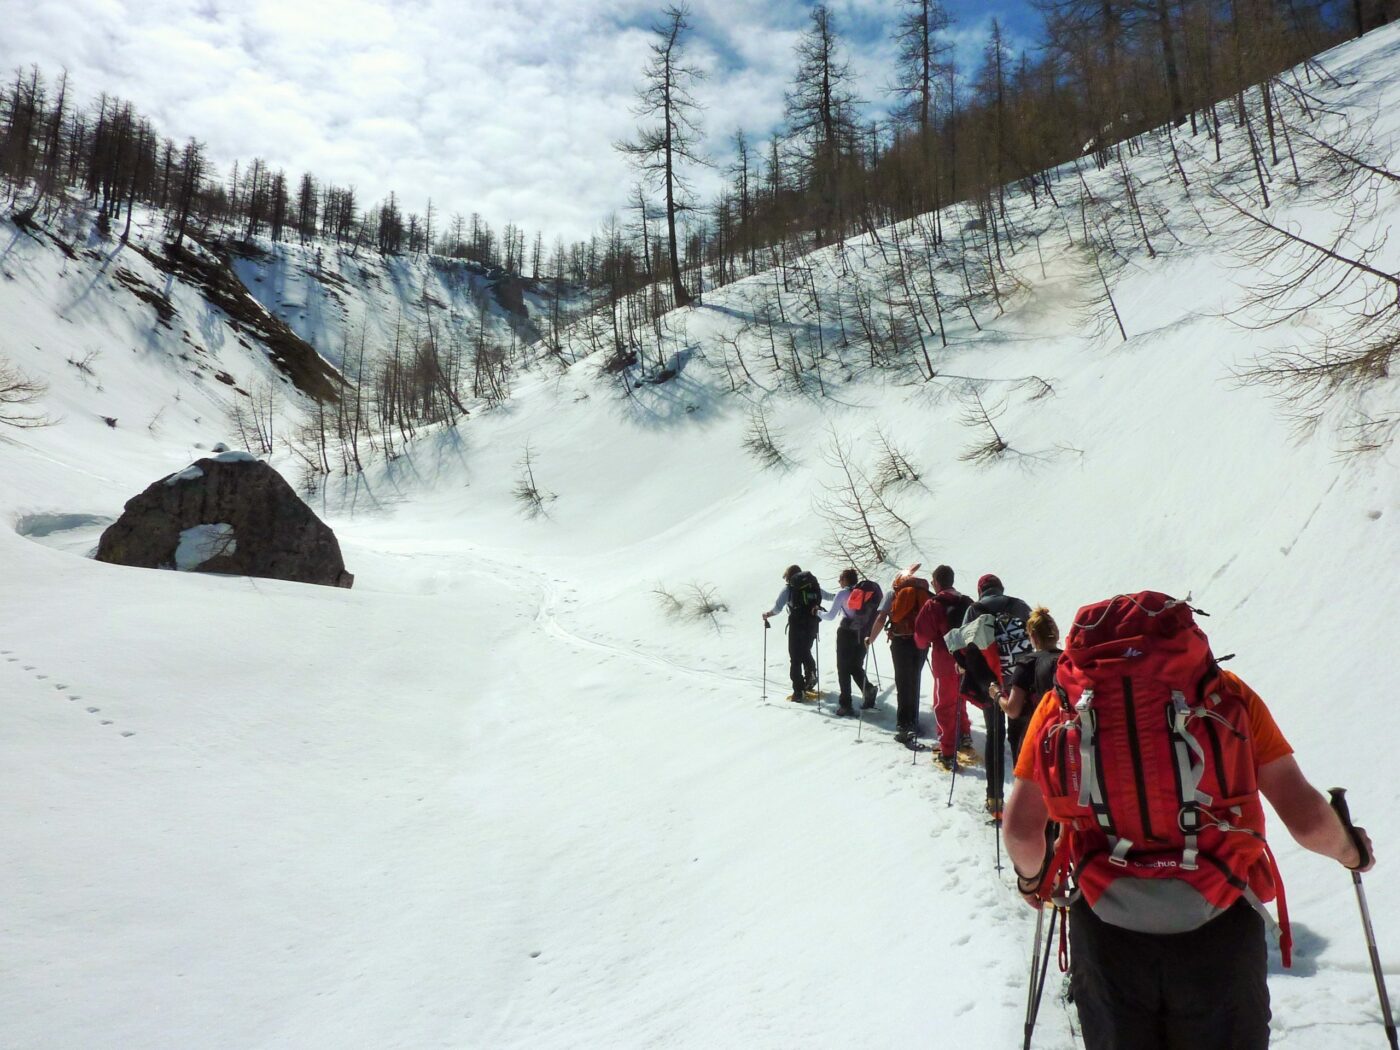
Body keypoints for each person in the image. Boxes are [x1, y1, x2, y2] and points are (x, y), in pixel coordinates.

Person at [1004, 591, 1377, 1050]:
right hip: (1219, 923)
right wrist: (1350, 851)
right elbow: (1304, 816)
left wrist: (1032, 883)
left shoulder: (1059, 707)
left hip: (1105, 930)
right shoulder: (1227, 693)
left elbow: (1022, 830)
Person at [958, 574, 1032, 816]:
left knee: (995, 738)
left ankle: (995, 799)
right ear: (1001, 588)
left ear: (981, 590)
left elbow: (965, 648)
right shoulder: (1019, 605)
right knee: (1020, 740)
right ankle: (1026, 800)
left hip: (992, 686)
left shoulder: (974, 610)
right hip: (1022, 683)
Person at [914, 564, 974, 771]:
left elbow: (921, 635)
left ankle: (947, 751)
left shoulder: (934, 604)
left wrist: (923, 644)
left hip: (945, 660)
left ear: (937, 582)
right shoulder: (966, 601)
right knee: (962, 698)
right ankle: (965, 735)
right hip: (967, 660)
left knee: (944, 704)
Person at [866, 563, 930, 745]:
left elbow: (881, 618)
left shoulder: (893, 593)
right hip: (921, 642)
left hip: (900, 642)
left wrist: (871, 639)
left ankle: (903, 724)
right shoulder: (923, 592)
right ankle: (914, 721)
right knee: (914, 679)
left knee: (903, 682)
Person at [762, 565, 832, 701]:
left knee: (795, 658)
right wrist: (844, 597)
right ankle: (810, 675)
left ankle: (798, 692)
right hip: (812, 623)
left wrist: (767, 614)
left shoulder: (789, 589)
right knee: (806, 650)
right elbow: (829, 596)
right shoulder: (813, 586)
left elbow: (777, 608)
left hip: (797, 625)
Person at [1002, 605, 1061, 766]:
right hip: (1065, 739)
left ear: (1033, 636)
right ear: (1056, 634)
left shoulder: (1027, 663)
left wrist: (996, 694)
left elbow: (1013, 710)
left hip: (1035, 740)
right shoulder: (1068, 660)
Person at [821, 569, 880, 716]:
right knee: (855, 665)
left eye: (840, 579)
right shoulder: (863, 593)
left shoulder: (843, 593)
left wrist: (817, 612)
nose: (839, 582)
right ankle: (868, 689)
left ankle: (846, 705)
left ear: (846, 580)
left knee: (843, 669)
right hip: (863, 633)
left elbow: (830, 616)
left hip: (846, 633)